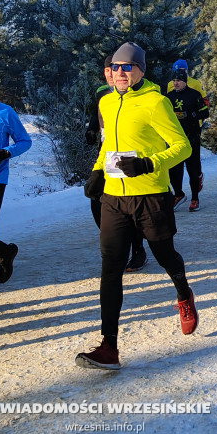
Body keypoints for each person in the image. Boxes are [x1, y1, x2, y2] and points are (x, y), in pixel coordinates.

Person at [76, 42, 198, 371]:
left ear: (141, 70)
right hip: (114, 199)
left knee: (164, 255)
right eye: (115, 67)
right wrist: (97, 171)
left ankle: (184, 293)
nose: (120, 73)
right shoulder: (106, 101)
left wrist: (148, 164)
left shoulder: (156, 102)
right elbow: (109, 145)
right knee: (110, 268)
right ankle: (108, 347)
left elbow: (182, 147)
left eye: (127, 67)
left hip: (150, 196)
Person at [84, 54, 148, 272]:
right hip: (106, 153)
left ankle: (138, 249)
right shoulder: (102, 93)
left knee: (131, 202)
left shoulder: (134, 92)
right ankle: (116, 240)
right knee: (97, 198)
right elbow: (99, 114)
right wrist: (92, 129)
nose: (113, 74)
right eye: (109, 69)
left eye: (119, 68)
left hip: (131, 155)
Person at [0, 98, 32, 284]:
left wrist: (4, 153)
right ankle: (4, 252)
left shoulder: (4, 112)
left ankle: (5, 254)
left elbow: (25, 141)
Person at [167, 68, 209, 212]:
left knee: (193, 169)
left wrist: (193, 114)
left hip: (192, 137)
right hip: (175, 138)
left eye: (178, 80)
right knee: (174, 169)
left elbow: (206, 111)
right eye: (174, 81)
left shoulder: (194, 94)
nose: (175, 83)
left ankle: (195, 198)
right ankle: (178, 194)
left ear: (185, 81)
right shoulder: (169, 97)